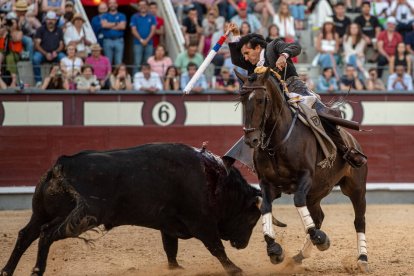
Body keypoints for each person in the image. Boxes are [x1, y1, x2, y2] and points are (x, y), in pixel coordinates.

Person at [224, 22, 367, 168]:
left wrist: (284, 56)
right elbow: (236, 60)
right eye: (244, 55)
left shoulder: (273, 46)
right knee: (255, 121)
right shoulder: (252, 63)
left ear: (258, 47)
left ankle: (346, 150)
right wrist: (235, 35)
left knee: (322, 114)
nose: (245, 58)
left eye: (247, 53)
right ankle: (242, 158)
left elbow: (295, 47)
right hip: (274, 98)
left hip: (294, 87)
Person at [32, 11, 66, 86]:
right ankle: (38, 81)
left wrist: (56, 52)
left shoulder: (59, 30)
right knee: (35, 59)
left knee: (63, 58)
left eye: (52, 20)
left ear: (55, 20)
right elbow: (37, 45)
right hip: (43, 53)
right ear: (46, 20)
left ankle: (64, 79)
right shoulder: (40, 29)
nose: (50, 21)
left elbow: (61, 45)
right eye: (49, 19)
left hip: (55, 53)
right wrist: (46, 53)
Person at [130, 0, 156, 72]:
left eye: (144, 5)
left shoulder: (152, 17)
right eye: (140, 5)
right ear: (138, 6)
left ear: (147, 6)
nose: (142, 7)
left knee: (147, 63)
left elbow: (153, 29)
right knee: (137, 62)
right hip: (137, 43)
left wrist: (147, 40)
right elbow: (133, 30)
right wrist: (141, 40)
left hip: (149, 43)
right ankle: (135, 80)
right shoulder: (134, 17)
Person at [101, 0, 126, 65]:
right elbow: (104, 25)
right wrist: (116, 23)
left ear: (117, 5)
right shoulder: (104, 15)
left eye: (114, 3)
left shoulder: (122, 15)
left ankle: (117, 75)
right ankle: (109, 75)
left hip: (119, 40)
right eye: (110, 3)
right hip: (107, 40)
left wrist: (109, 25)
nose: (112, 5)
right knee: (108, 62)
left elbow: (122, 26)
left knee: (118, 61)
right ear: (108, 5)